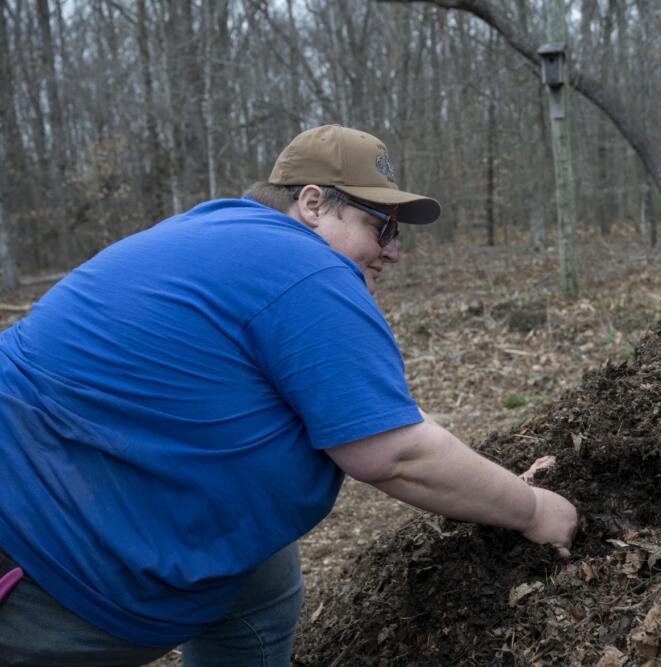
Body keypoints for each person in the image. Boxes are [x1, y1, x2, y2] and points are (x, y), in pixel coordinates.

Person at [0, 124, 578, 666]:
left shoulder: (227, 237)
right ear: (312, 203)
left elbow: (371, 413)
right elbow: (393, 454)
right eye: (382, 226)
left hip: (102, 480)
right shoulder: (308, 269)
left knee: (264, 578)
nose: (393, 250)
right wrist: (532, 511)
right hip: (42, 544)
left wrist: (489, 484)